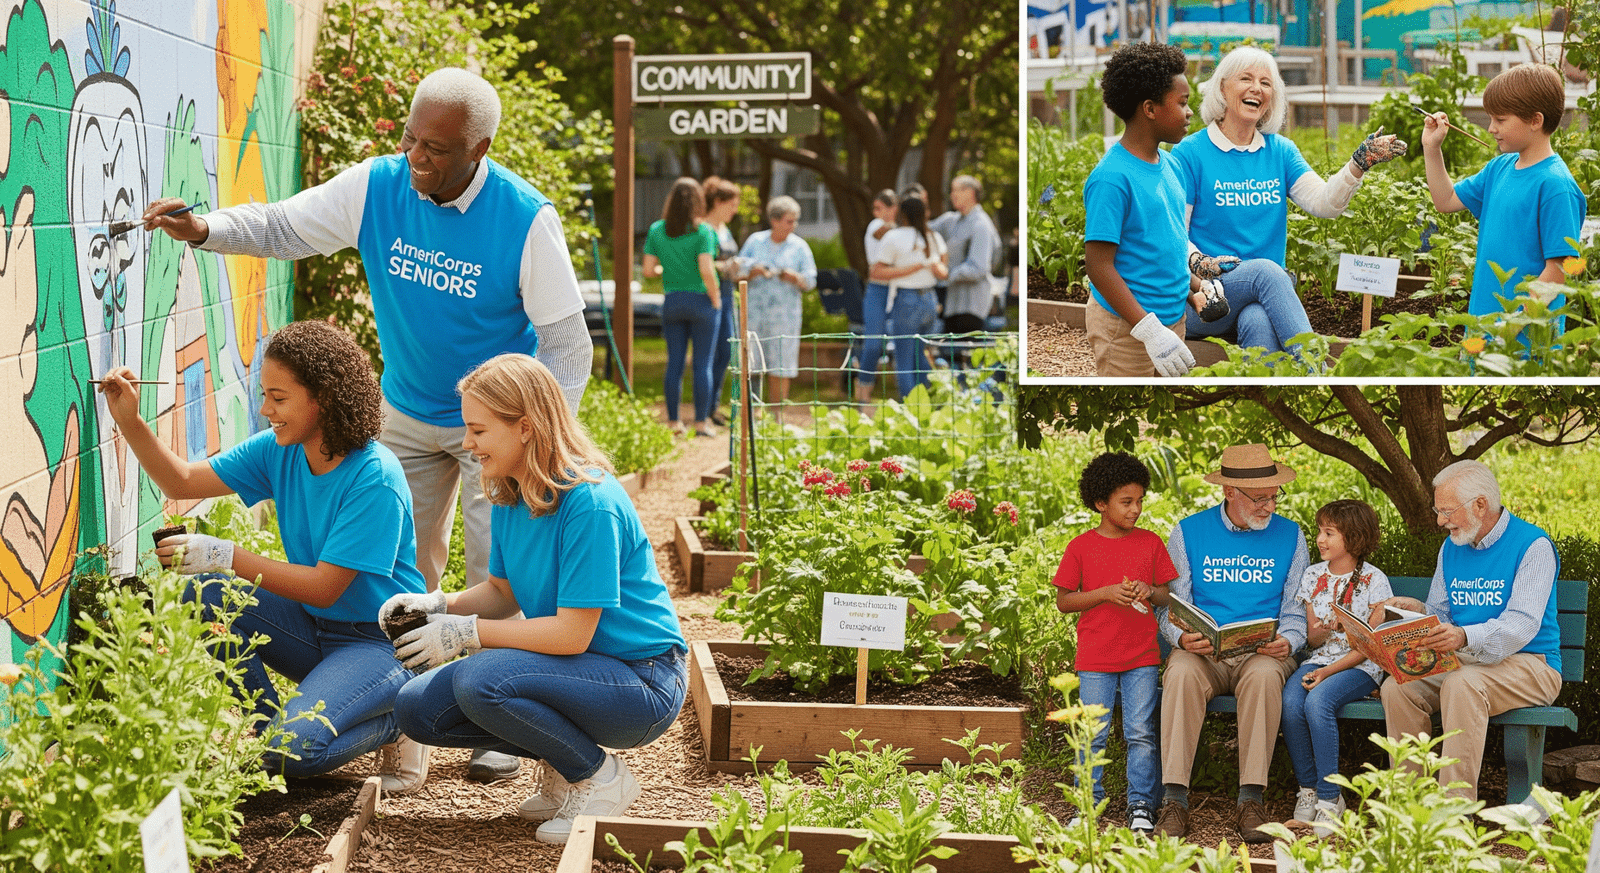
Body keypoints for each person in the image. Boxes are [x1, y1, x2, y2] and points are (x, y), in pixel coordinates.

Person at [139, 67, 590, 784]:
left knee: (499, 575)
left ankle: (502, 728)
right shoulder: (379, 186)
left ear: (480, 148)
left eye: (437, 149)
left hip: (495, 425)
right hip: (407, 409)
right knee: (404, 580)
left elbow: (567, 345)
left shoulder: (525, 218)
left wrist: (538, 435)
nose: (417, 157)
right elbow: (285, 224)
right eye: (411, 138)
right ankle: (407, 727)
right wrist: (205, 229)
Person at [96, 321, 429, 791]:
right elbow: (182, 483)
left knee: (296, 752)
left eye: (278, 397)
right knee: (204, 591)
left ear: (324, 399)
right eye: (264, 395)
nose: (264, 409)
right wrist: (129, 421)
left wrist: (226, 553)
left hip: (381, 643)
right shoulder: (281, 450)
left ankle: (402, 715)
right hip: (317, 629)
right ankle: (265, 729)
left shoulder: (374, 478)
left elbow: (324, 587)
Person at [385, 354, 688, 844]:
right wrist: (436, 606)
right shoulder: (511, 490)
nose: (466, 444)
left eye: (478, 431)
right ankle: (565, 763)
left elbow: (572, 634)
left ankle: (598, 777)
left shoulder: (589, 503)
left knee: (481, 678)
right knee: (418, 709)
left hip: (642, 680)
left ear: (524, 427)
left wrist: (466, 634)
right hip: (581, 670)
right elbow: (503, 594)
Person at [1172, 46, 1406, 361]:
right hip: (1207, 298)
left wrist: (1357, 165)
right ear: (1222, 89)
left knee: (1258, 321)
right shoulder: (1191, 153)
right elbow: (1174, 235)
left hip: (1263, 295)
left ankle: (1266, 396)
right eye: (1246, 79)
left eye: (1266, 83)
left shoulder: (1280, 151)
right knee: (1266, 273)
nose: (1257, 88)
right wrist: (1201, 264)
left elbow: (1325, 203)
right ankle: (1318, 371)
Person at [1379, 460, 1563, 801]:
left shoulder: (1533, 545)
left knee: (1461, 684)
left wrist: (1465, 636)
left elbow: (1521, 625)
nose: (1439, 520)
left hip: (1532, 664)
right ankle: (1408, 810)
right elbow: (1441, 613)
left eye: (1447, 510)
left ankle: (1454, 816)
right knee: (1398, 688)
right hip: (1467, 660)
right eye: (1438, 510)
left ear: (1480, 505)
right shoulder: (1452, 546)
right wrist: (1417, 611)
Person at [1155, 443, 1308, 843]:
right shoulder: (1189, 532)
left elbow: (1295, 609)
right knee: (1182, 674)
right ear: (1229, 493)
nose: (1269, 506)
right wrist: (1181, 637)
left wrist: (1289, 641)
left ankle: (1251, 798)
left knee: (1263, 678)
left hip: (1262, 652)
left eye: (1274, 497)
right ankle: (1173, 800)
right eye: (1259, 499)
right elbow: (1171, 608)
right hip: (1204, 654)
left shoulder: (1292, 536)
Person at [1052, 451, 1174, 836]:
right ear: (1100, 503)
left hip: (1141, 656)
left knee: (1140, 731)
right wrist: (1104, 593)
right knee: (1093, 731)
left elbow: (1167, 596)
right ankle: (1087, 801)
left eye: (1140, 500)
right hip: (1095, 658)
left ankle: (1140, 804)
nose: (1136, 509)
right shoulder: (1081, 547)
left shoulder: (1151, 543)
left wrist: (1149, 590)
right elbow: (1064, 601)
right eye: (1126, 502)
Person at [1420, 63, 1584, 341]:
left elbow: (1560, 269)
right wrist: (1432, 148)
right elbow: (1445, 200)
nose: (1491, 128)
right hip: (1483, 324)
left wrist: (1510, 327)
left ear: (1535, 120)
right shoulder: (1499, 169)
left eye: (1501, 120)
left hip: (1525, 341)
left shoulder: (1556, 186)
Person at [1082, 42, 1199, 377]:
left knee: (1165, 418)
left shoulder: (1172, 166)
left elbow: (1166, 247)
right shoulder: (1112, 178)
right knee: (1128, 413)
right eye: (1182, 103)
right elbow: (1098, 266)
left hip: (1171, 325)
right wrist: (1148, 330)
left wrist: (1196, 288)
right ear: (1150, 109)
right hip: (1126, 330)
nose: (1190, 112)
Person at [1280, 499, 1392, 836]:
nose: (1320, 539)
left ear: (1353, 537)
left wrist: (1328, 673)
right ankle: (1308, 790)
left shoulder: (1374, 581)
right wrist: (1325, 628)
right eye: (1319, 531)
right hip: (1320, 659)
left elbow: (1371, 646)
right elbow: (1313, 641)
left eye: (1329, 532)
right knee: (1290, 701)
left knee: (1318, 702)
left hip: (1361, 666)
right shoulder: (1314, 575)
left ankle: (1331, 800)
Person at [643, 177, 721, 438]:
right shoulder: (704, 231)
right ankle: (701, 423)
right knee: (703, 364)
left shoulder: (657, 230)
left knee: (674, 363)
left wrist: (670, 267)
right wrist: (716, 297)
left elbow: (648, 270)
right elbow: (706, 268)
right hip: (701, 302)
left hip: (673, 301)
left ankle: (674, 423)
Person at [736, 196, 817, 413]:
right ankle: (751, 414)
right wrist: (753, 272)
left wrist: (795, 278)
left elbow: (811, 281)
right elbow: (738, 271)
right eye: (789, 221)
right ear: (775, 220)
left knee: (781, 364)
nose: (794, 226)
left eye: (795, 221)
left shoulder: (800, 247)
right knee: (751, 362)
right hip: (754, 314)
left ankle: (776, 414)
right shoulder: (755, 241)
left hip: (785, 318)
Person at [871, 197, 948, 400]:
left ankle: (911, 407)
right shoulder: (933, 237)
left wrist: (910, 269)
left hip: (907, 300)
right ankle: (935, 399)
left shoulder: (894, 237)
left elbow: (876, 273)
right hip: (930, 300)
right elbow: (943, 272)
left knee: (903, 360)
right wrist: (924, 266)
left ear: (901, 214)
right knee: (918, 353)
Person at [930, 175, 1000, 338]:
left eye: (957, 190)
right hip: (952, 304)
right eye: (952, 190)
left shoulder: (980, 224)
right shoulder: (953, 220)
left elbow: (979, 268)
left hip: (972, 307)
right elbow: (926, 229)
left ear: (970, 193)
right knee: (951, 356)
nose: (952, 194)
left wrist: (946, 274)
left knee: (966, 356)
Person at [854, 189, 900, 403]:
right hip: (877, 290)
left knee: (899, 343)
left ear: (894, 208)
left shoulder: (899, 229)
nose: (875, 212)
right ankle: (862, 392)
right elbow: (879, 232)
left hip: (897, 289)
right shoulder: (877, 225)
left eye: (880, 208)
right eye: (874, 208)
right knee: (873, 344)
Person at [703, 176, 742, 427]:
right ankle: (704, 408)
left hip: (729, 293)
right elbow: (701, 262)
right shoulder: (704, 228)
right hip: (710, 295)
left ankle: (713, 406)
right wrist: (723, 266)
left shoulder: (724, 229)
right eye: (732, 204)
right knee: (709, 352)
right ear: (718, 202)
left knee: (726, 350)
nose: (735, 210)